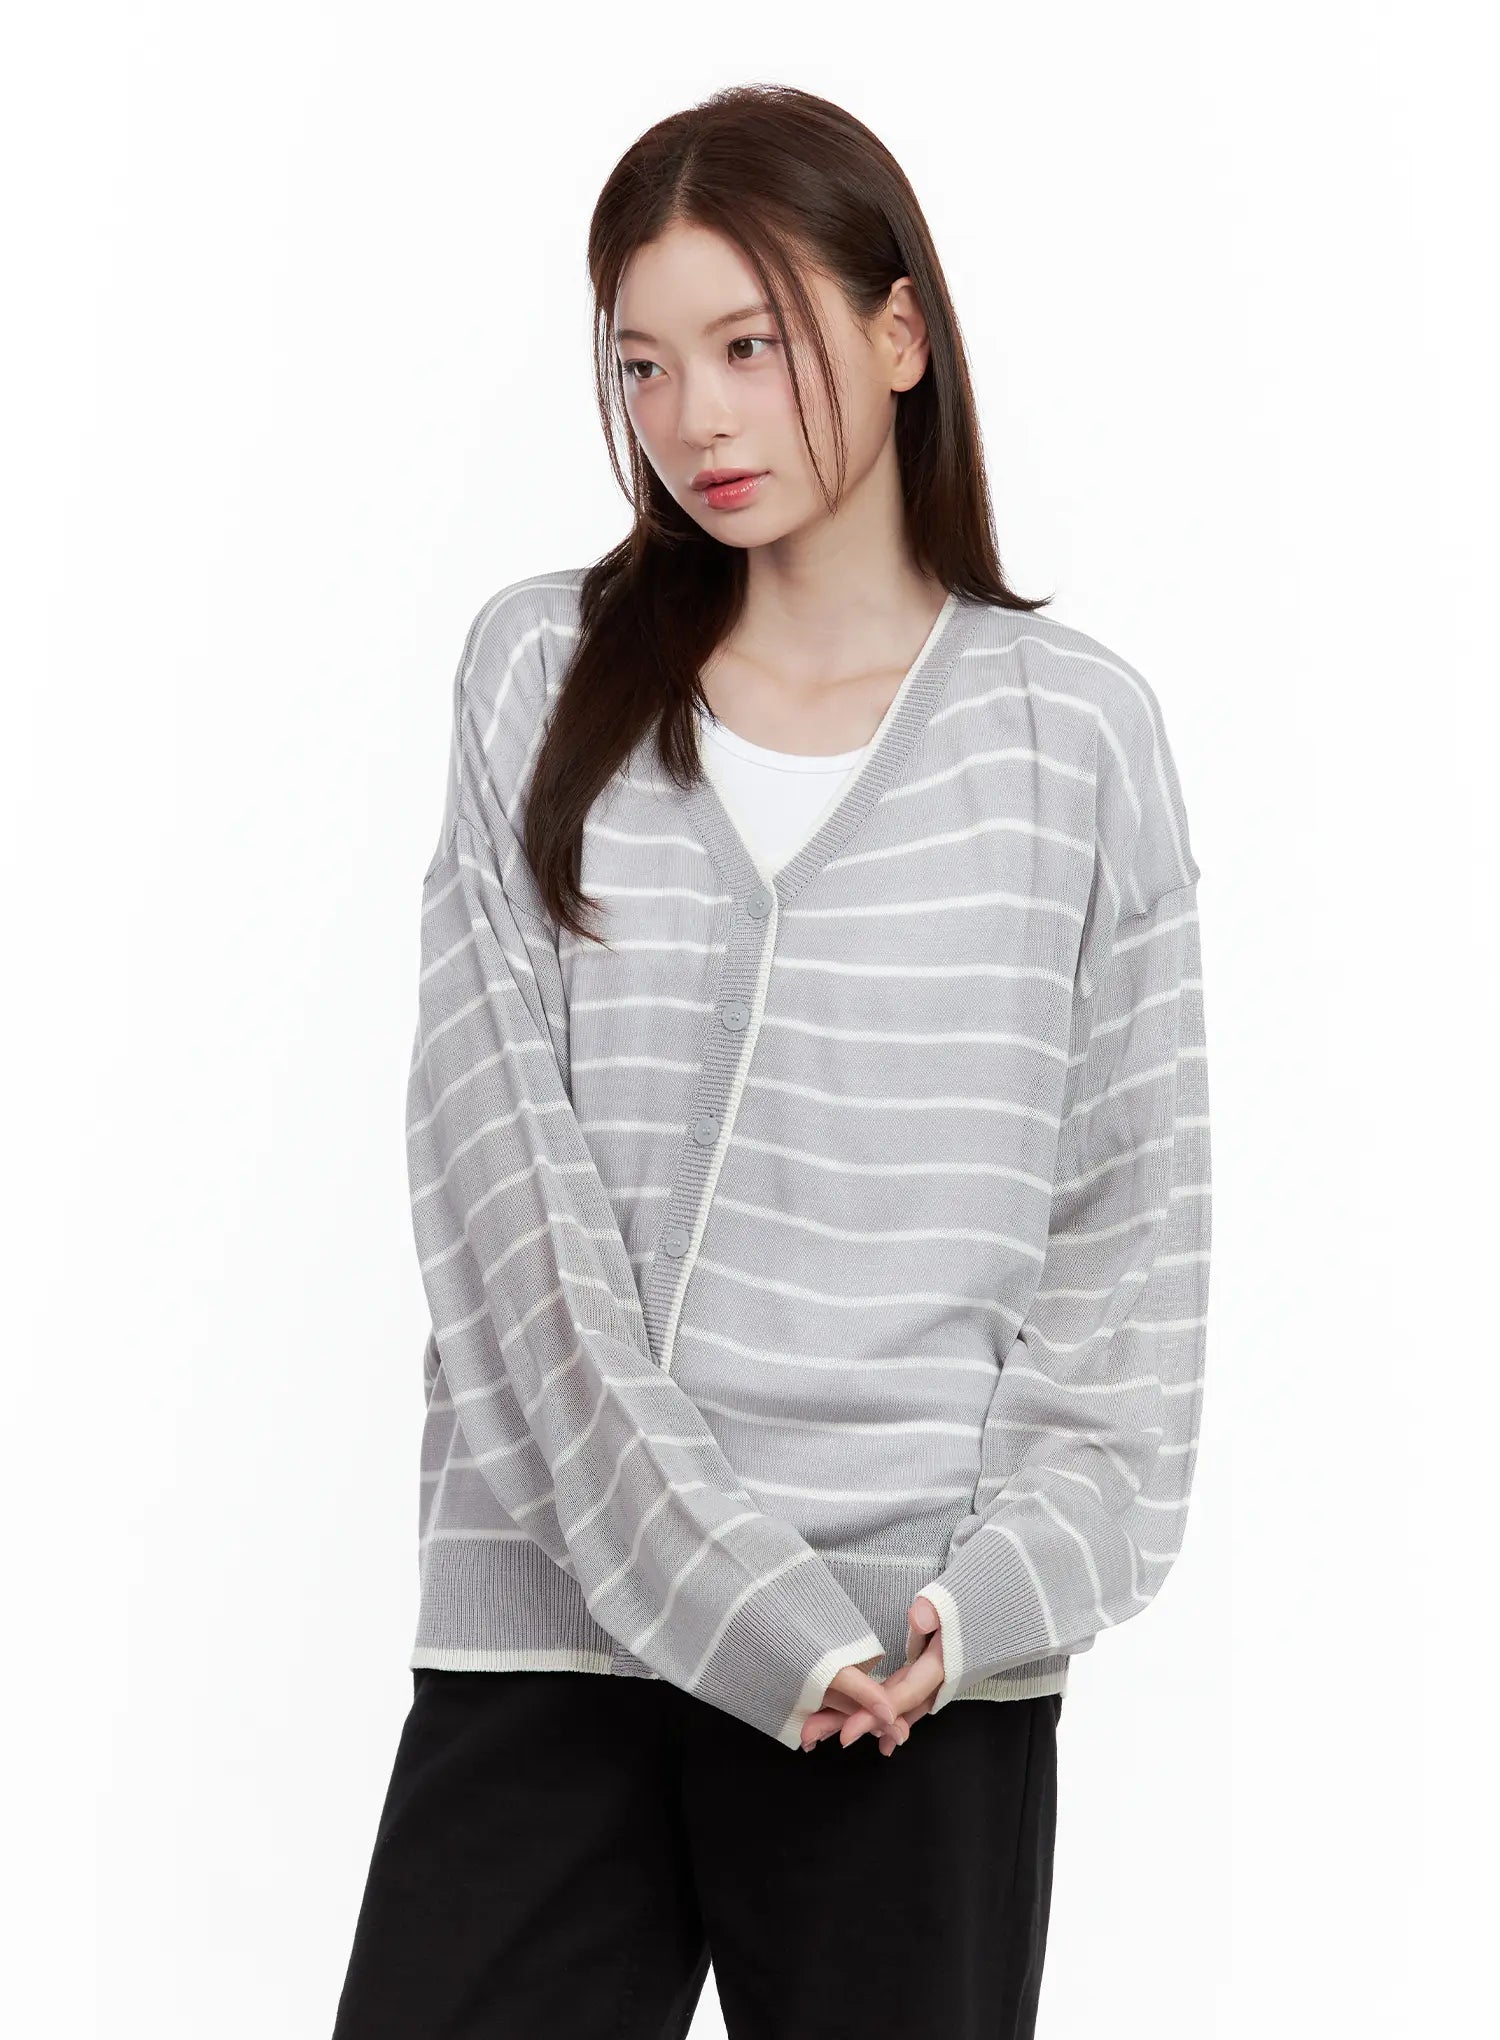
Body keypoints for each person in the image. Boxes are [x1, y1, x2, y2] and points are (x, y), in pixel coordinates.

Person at [331, 80, 1211, 2040]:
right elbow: (498, 1192)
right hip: (561, 1635)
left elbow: (1130, 1244)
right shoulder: (538, 672)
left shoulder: (1074, 741)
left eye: (750, 345)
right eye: (642, 364)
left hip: (911, 1671)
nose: (693, 419)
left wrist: (996, 1595)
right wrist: (730, 1595)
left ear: (900, 336)